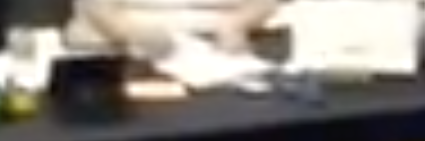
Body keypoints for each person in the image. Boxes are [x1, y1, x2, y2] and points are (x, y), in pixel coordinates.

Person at [66, 0, 281, 57]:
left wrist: (236, 25)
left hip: (217, 55)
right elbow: (97, 10)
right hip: (126, 51)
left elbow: (265, 3)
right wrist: (132, 33)